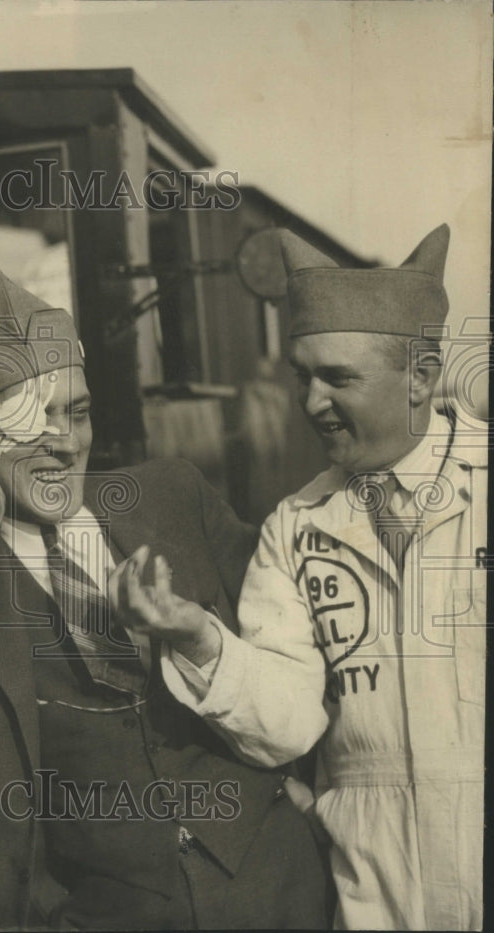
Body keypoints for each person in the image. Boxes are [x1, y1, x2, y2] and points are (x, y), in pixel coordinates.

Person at [0, 268, 331, 930]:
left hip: (274, 887)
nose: (64, 439)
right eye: (31, 418)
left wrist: (324, 787)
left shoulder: (171, 496)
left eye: (76, 412)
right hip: (106, 910)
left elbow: (308, 634)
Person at [117, 225, 486, 930]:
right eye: (301, 375)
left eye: (338, 377)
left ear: (421, 373)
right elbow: (286, 718)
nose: (310, 400)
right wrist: (199, 639)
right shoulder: (299, 525)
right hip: (373, 884)